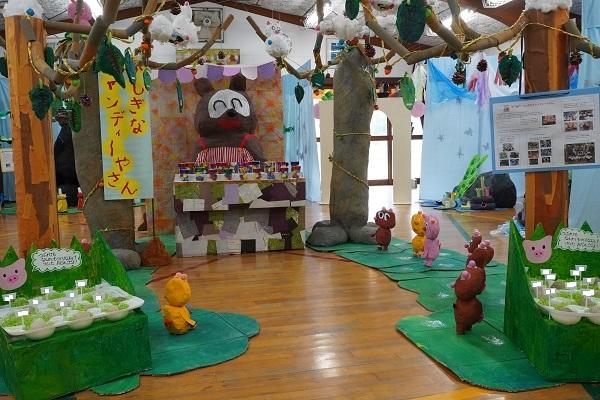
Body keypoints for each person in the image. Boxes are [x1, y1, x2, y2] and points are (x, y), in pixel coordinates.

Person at [54, 111, 79, 207]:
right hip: (68, 168)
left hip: (67, 169)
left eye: (61, 118)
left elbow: (58, 149)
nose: (59, 121)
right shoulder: (68, 130)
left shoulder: (67, 130)